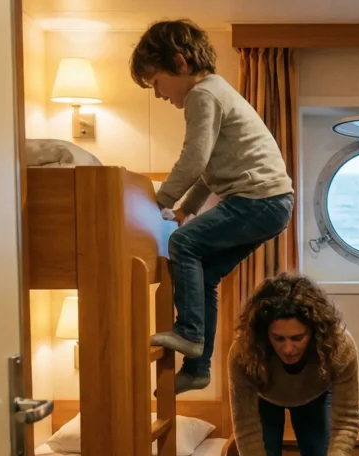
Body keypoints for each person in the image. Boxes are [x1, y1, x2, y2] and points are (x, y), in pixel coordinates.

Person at [130, 20, 294, 394]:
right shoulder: (218, 93)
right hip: (272, 203)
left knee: (183, 244)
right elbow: (207, 170)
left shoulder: (203, 95)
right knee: (202, 270)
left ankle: (189, 333)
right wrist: (188, 208)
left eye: (155, 81)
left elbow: (192, 159)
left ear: (179, 62)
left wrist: (158, 202)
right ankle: (197, 368)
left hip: (258, 200)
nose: (157, 94)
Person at [229, 273, 359, 456]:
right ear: (265, 335)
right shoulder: (244, 353)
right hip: (264, 401)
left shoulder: (340, 347)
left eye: (298, 338)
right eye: (278, 339)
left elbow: (346, 421)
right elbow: (246, 431)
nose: (288, 349)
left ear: (314, 331)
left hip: (316, 396)